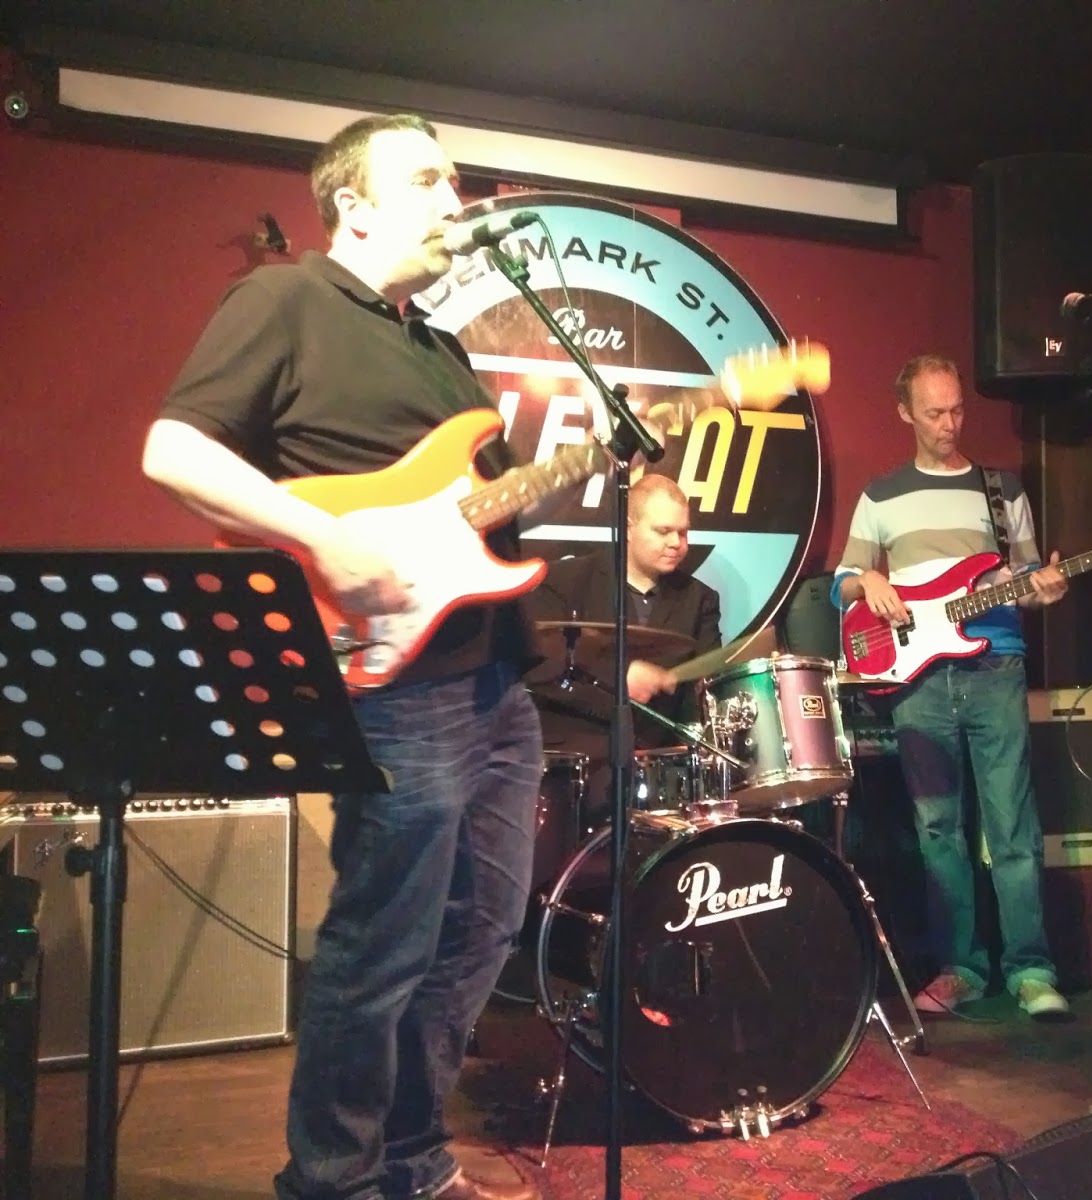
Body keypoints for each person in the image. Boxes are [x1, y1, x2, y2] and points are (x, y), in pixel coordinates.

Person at [143, 113, 543, 1200]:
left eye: (454, 178)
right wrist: (323, 538)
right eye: (427, 179)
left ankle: (411, 1158)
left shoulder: (441, 348)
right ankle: (331, 1181)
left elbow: (467, 510)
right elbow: (173, 450)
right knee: (382, 947)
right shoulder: (285, 299)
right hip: (398, 688)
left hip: (495, 678)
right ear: (352, 206)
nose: (454, 198)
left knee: (481, 932)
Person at [832, 353, 1071, 1020]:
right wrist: (868, 581)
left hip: (996, 665)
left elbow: (1027, 578)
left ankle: (1031, 968)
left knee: (1012, 823)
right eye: (934, 412)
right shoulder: (881, 495)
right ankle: (961, 966)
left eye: (957, 409)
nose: (949, 423)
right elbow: (842, 584)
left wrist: (1044, 589)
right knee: (937, 827)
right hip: (918, 676)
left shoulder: (1002, 490)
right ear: (905, 412)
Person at [533, 472, 723, 748]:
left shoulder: (699, 598)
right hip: (577, 753)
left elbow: (707, 689)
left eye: (683, 532)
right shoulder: (564, 581)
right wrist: (619, 678)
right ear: (629, 529)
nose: (676, 542)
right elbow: (538, 666)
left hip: (659, 758)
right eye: (663, 531)